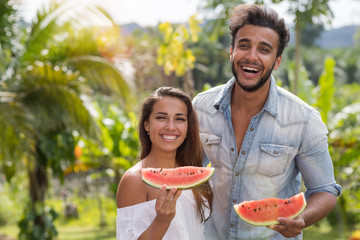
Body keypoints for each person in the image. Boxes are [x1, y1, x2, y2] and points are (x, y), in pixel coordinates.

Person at [192, 4, 342, 240]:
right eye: (244, 45)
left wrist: (302, 219)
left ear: (277, 60)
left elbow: (324, 190)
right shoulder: (201, 107)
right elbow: (186, 169)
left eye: (264, 49)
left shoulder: (303, 119)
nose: (251, 56)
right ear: (231, 51)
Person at [116, 86, 213, 240]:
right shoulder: (134, 180)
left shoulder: (196, 171)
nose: (170, 127)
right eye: (161, 117)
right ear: (147, 124)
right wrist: (162, 221)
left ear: (188, 128)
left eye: (180, 119)